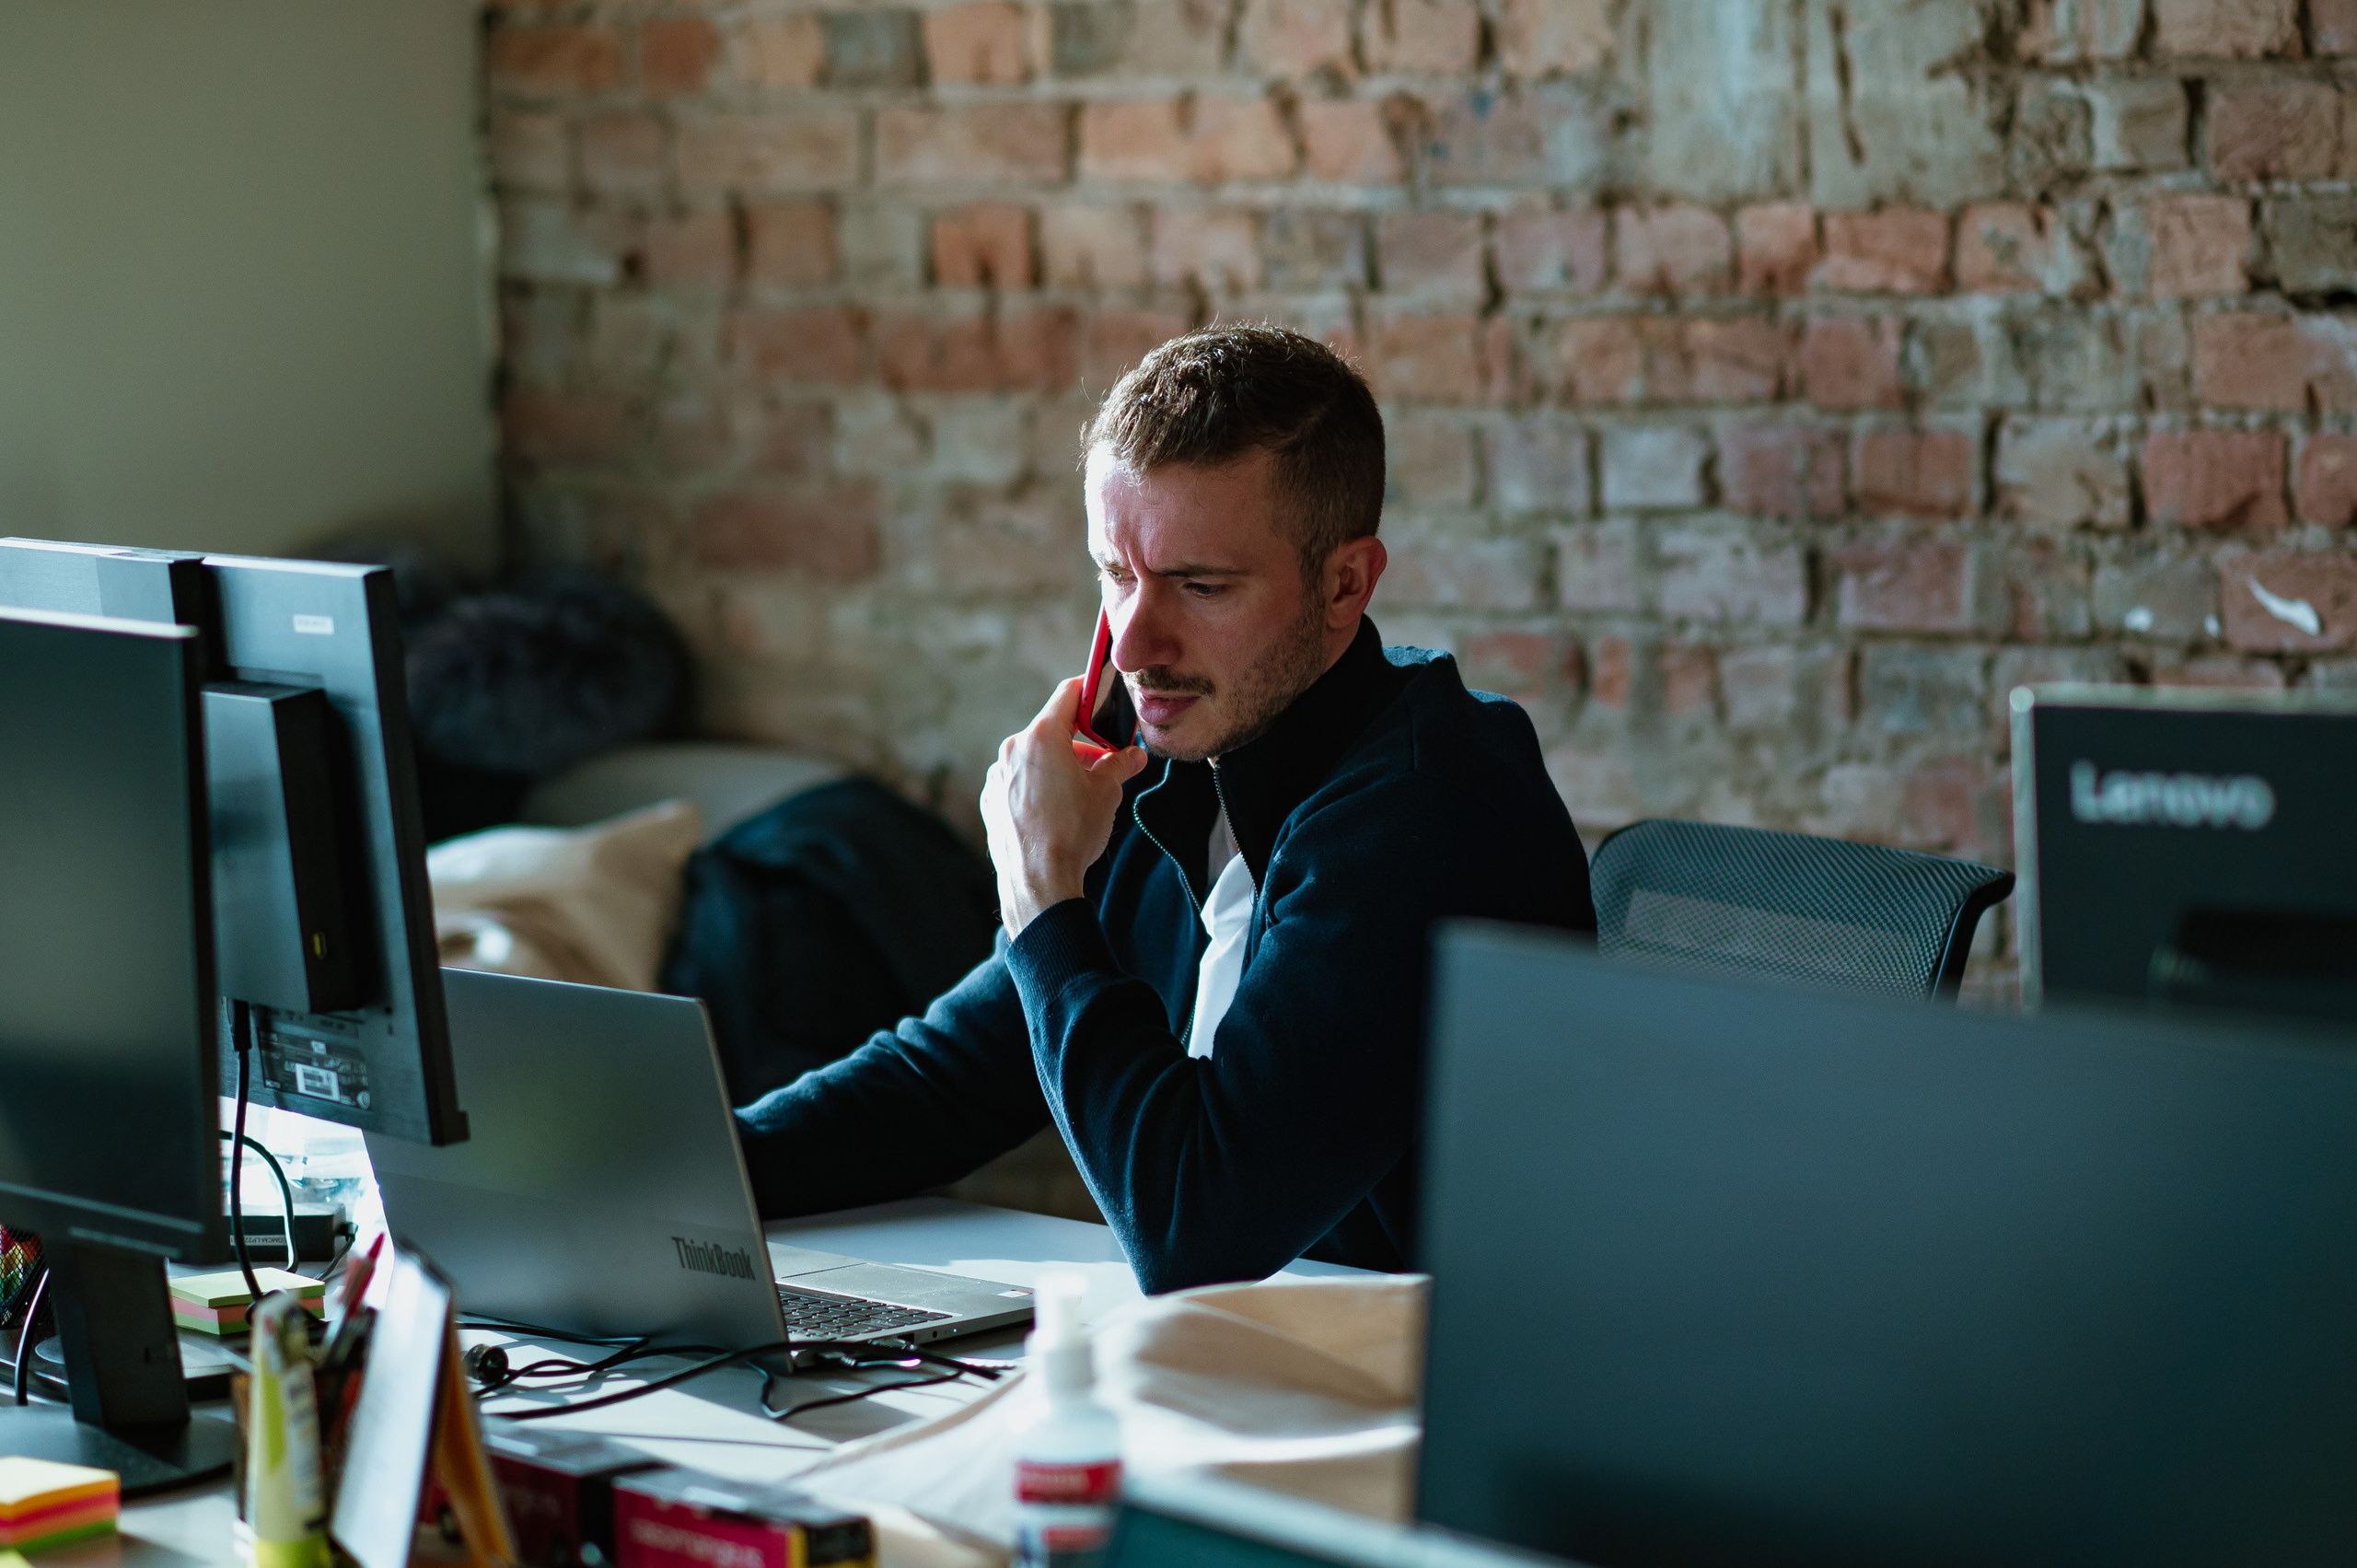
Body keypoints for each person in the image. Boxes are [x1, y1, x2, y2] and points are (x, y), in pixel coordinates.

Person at [736, 324, 1595, 1292]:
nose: (1138, 641)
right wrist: (691, 1176)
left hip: (1421, 1391)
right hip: (1264, 1358)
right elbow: (950, 1076)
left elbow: (1193, 1226)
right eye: (1116, 575)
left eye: (1199, 584)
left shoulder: (1424, 810)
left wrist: (1044, 892)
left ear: (1345, 582)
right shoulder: (1174, 766)